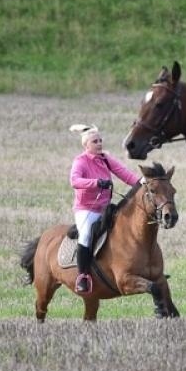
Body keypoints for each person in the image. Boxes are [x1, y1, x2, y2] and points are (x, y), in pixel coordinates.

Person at [68, 124, 141, 294]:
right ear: (86, 145)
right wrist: (96, 183)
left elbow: (124, 173)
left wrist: (141, 183)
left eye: (100, 140)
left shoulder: (106, 158)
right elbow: (75, 181)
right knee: (85, 235)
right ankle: (83, 276)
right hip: (86, 209)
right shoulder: (80, 161)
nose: (99, 144)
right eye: (95, 141)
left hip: (105, 207)